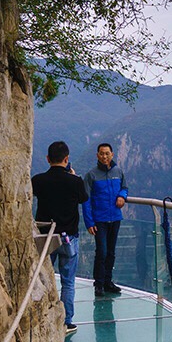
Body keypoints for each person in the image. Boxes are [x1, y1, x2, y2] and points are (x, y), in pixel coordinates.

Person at [32, 140, 88, 331]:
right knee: (68, 281)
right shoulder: (75, 182)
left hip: (45, 236)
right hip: (68, 237)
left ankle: (43, 315)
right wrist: (73, 176)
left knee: (42, 275)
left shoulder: (38, 180)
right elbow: (83, 198)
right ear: (67, 159)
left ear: (47, 159)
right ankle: (66, 321)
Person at [82, 142, 129, 296]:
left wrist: (122, 196)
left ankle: (108, 282)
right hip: (99, 220)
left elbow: (125, 187)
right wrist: (89, 222)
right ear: (97, 155)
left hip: (115, 217)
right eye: (101, 153)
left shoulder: (118, 172)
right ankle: (99, 283)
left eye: (107, 153)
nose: (104, 156)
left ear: (112, 154)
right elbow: (85, 200)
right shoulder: (91, 175)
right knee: (101, 252)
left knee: (111, 252)